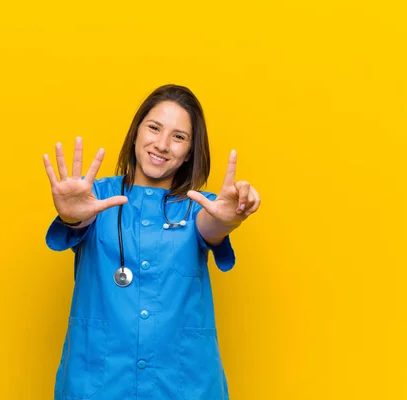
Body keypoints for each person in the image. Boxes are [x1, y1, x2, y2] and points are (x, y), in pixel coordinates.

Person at [43, 84, 261, 400]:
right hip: (99, 382)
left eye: (179, 136)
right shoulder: (96, 197)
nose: (162, 144)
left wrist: (229, 219)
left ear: (189, 152)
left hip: (182, 384)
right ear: (136, 132)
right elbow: (80, 219)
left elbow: (211, 227)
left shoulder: (200, 205)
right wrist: (72, 216)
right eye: (154, 128)